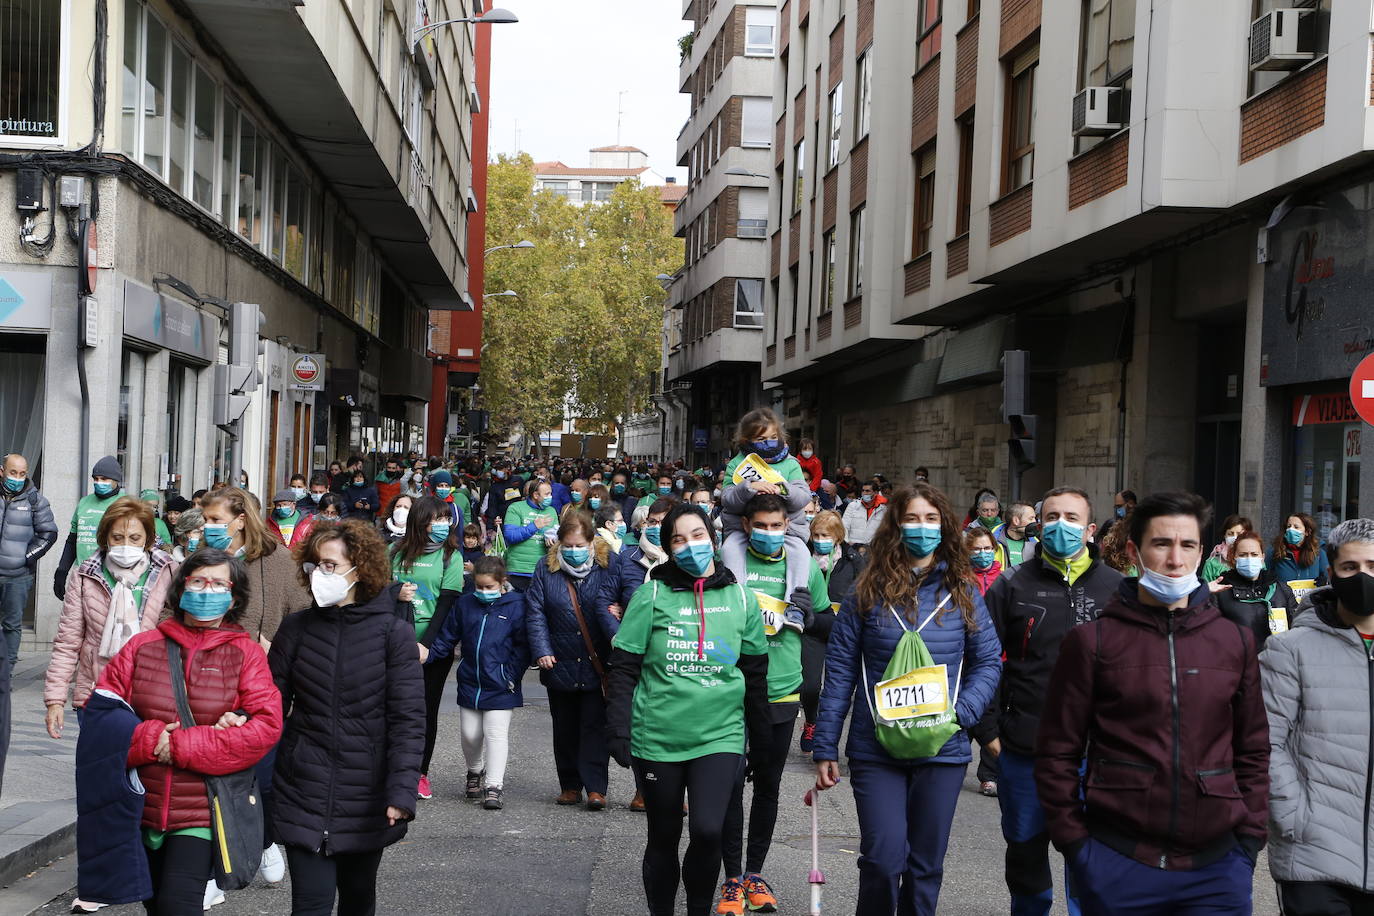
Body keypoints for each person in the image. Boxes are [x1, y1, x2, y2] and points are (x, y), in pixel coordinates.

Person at [1035, 491, 1268, 912]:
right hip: (1118, 862)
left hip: (1217, 870)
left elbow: (1253, 749)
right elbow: (1056, 752)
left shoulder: (1233, 641)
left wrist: (1248, 843)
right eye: (1162, 544)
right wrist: (1076, 845)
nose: (1175, 560)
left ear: (1202, 553)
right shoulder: (1092, 642)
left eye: (1188, 545)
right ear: (1134, 551)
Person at [812, 483, 1002, 914]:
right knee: (882, 860)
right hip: (876, 747)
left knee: (924, 866)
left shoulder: (963, 590)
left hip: (943, 748)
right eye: (912, 519)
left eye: (931, 519)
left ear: (945, 527)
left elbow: (988, 661)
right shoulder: (866, 590)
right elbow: (840, 671)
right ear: (895, 526)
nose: (921, 528)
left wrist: (962, 713)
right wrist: (825, 744)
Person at [91, 548, 282, 915]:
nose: (206, 591)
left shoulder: (246, 655)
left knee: (178, 905)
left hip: (201, 812)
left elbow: (265, 727)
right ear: (181, 589)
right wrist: (149, 741)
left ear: (234, 596)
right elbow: (101, 722)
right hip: (141, 806)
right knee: (156, 906)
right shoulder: (141, 647)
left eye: (217, 583)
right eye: (197, 581)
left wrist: (181, 744)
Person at [606, 503, 771, 916]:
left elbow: (754, 674)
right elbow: (624, 667)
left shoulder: (740, 597)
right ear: (668, 548)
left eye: (697, 535)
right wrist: (619, 729)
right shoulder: (652, 594)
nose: (690, 545)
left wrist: (763, 741)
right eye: (678, 539)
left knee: (708, 830)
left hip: (720, 735)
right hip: (657, 736)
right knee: (664, 835)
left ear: (712, 541)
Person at [268, 520, 425, 916]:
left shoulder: (393, 634)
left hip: (366, 793)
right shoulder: (296, 629)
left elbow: (408, 719)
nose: (319, 574)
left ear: (360, 569)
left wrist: (401, 791)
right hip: (303, 784)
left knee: (357, 898)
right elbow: (268, 704)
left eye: (330, 565)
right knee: (311, 903)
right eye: (314, 565)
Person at [982, 486, 1123, 916]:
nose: (1062, 525)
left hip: (1097, 755)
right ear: (1038, 526)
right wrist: (988, 733)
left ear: (1091, 529)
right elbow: (982, 661)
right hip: (1025, 750)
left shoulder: (1118, 590)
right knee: (1025, 857)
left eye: (1073, 518)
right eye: (1053, 516)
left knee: (1091, 861)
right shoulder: (1010, 585)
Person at [716, 493, 830, 915]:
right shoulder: (727, 563)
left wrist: (811, 617)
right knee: (729, 788)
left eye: (776, 526)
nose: (768, 533)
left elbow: (827, 624)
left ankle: (754, 874)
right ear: (746, 526)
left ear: (788, 526)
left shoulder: (802, 567)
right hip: (732, 690)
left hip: (782, 691)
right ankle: (731, 880)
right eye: (760, 526)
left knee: (767, 786)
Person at [1260, 517, 1374, 914]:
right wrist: (1292, 816)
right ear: (1331, 571)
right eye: (1351, 567)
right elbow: (1265, 740)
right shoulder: (1291, 649)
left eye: (1373, 567)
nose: (1363, 577)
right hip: (1314, 857)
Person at [44, 497, 178, 740]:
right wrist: (55, 699)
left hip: (151, 697)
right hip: (97, 693)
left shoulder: (168, 572)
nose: (126, 545)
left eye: (135, 538)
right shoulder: (86, 575)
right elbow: (67, 642)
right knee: (100, 771)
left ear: (148, 539)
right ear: (106, 537)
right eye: (117, 537)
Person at [525, 512, 621, 809]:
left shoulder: (610, 565)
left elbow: (627, 595)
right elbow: (535, 610)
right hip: (559, 656)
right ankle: (569, 785)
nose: (573, 550)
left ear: (592, 541)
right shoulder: (546, 567)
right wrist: (541, 649)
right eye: (567, 545)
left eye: (579, 544)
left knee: (594, 726)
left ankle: (595, 788)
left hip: (597, 657)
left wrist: (620, 612)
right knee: (564, 726)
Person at [425, 555, 529, 810]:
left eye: (489, 587)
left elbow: (523, 646)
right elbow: (448, 636)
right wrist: (427, 655)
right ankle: (475, 770)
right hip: (471, 680)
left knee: (496, 734)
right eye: (479, 587)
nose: (483, 592)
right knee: (470, 735)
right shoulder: (465, 604)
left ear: (502, 583)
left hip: (502, 682)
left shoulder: (517, 605)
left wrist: (510, 674)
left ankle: (494, 786)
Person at [389, 496, 463, 800]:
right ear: (421, 521)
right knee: (391, 708)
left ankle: (420, 772)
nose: (444, 525)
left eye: (447, 519)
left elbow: (447, 604)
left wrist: (425, 645)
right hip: (392, 642)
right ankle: (390, 770)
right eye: (438, 519)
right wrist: (395, 592)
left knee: (424, 712)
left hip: (431, 648)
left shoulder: (450, 556)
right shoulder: (395, 551)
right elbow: (376, 588)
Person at [719, 410, 812, 606]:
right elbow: (727, 499)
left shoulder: (791, 463)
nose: (769, 442)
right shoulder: (737, 464)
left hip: (788, 530)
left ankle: (794, 606)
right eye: (761, 439)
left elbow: (803, 497)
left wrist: (782, 488)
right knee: (729, 550)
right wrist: (749, 487)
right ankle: (737, 602)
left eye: (773, 437)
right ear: (747, 439)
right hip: (743, 529)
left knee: (802, 554)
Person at [199, 488, 311, 650]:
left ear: (241, 521)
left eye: (215, 519)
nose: (207, 527)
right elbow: (170, 609)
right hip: (201, 661)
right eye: (205, 519)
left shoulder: (280, 560)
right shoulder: (198, 560)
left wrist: (278, 651)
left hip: (260, 665)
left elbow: (303, 617)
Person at [800, 510, 863, 754]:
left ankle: (828, 734)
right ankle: (811, 721)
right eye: (815, 534)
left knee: (838, 687)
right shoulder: (803, 556)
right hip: (813, 626)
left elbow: (864, 591)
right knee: (810, 685)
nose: (819, 539)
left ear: (837, 537)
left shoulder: (853, 559)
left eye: (825, 535)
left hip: (843, 631)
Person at [1, 452, 57, 668]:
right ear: (2, 471)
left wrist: (26, 557)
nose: (17, 477)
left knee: (12, 626)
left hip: (18, 577)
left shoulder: (36, 501)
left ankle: (5, 674)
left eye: (22, 474)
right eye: (13, 472)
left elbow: (49, 534)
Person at [53, 455, 125, 599]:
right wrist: (62, 570)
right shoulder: (84, 502)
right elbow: (73, 539)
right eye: (96, 479)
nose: (99, 483)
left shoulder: (125, 504)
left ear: (116, 480)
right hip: (81, 574)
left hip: (109, 577)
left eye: (104, 479)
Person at [1216, 529, 1297, 648]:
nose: (1249, 559)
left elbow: (1297, 629)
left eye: (1254, 554)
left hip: (1277, 661)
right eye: (1243, 555)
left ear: (1262, 557)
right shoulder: (1221, 592)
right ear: (1234, 558)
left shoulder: (1281, 590)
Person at [502, 478, 559, 591]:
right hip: (518, 570)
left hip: (542, 570)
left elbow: (556, 533)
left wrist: (553, 538)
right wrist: (534, 526)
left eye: (550, 493)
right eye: (547, 494)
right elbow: (510, 536)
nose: (550, 497)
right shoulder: (515, 508)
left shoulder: (551, 511)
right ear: (536, 495)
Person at [1270, 512, 1329, 600]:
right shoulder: (1274, 551)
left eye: (1296, 527)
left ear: (1307, 532)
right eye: (1289, 526)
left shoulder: (1319, 553)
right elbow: (1264, 577)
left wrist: (1325, 582)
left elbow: (1329, 578)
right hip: (1283, 604)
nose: (1290, 530)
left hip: (1310, 605)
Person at [1201, 514, 1252, 583]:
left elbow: (1266, 585)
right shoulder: (1212, 563)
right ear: (1224, 535)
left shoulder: (1254, 558)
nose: (1235, 537)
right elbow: (1205, 588)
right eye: (1230, 534)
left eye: (1239, 534)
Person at [841, 479, 887, 551]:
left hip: (872, 549)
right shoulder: (853, 506)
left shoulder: (883, 510)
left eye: (867, 491)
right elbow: (844, 526)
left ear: (875, 493)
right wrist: (847, 543)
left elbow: (885, 532)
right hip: (853, 548)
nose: (864, 493)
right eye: (863, 491)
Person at [992, 502, 1038, 569]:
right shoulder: (992, 542)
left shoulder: (1035, 543)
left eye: (1035, 518)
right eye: (1031, 518)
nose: (1034, 522)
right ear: (1016, 521)